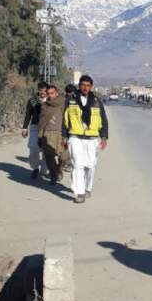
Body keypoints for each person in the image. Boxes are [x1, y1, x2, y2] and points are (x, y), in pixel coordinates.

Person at [63, 75, 109, 204]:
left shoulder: (96, 101)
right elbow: (64, 119)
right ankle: (80, 192)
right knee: (77, 164)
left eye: (88, 85)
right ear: (79, 86)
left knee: (90, 166)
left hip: (92, 138)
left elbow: (103, 120)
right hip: (75, 136)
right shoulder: (71, 100)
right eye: (83, 85)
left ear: (91, 87)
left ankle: (88, 188)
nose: (85, 87)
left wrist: (104, 137)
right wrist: (64, 136)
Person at [37, 85, 65, 185]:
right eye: (48, 93)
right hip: (47, 133)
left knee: (65, 156)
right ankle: (54, 176)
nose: (50, 95)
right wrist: (40, 136)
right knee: (49, 157)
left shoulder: (63, 103)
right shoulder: (45, 105)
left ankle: (58, 169)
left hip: (61, 134)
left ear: (56, 93)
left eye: (52, 93)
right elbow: (42, 122)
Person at [22, 82, 48, 179]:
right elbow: (28, 114)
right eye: (41, 90)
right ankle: (35, 168)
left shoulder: (51, 100)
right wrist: (24, 128)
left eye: (45, 90)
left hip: (48, 128)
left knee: (47, 150)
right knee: (33, 147)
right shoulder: (32, 100)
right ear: (38, 90)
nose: (43, 93)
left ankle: (44, 170)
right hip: (35, 126)